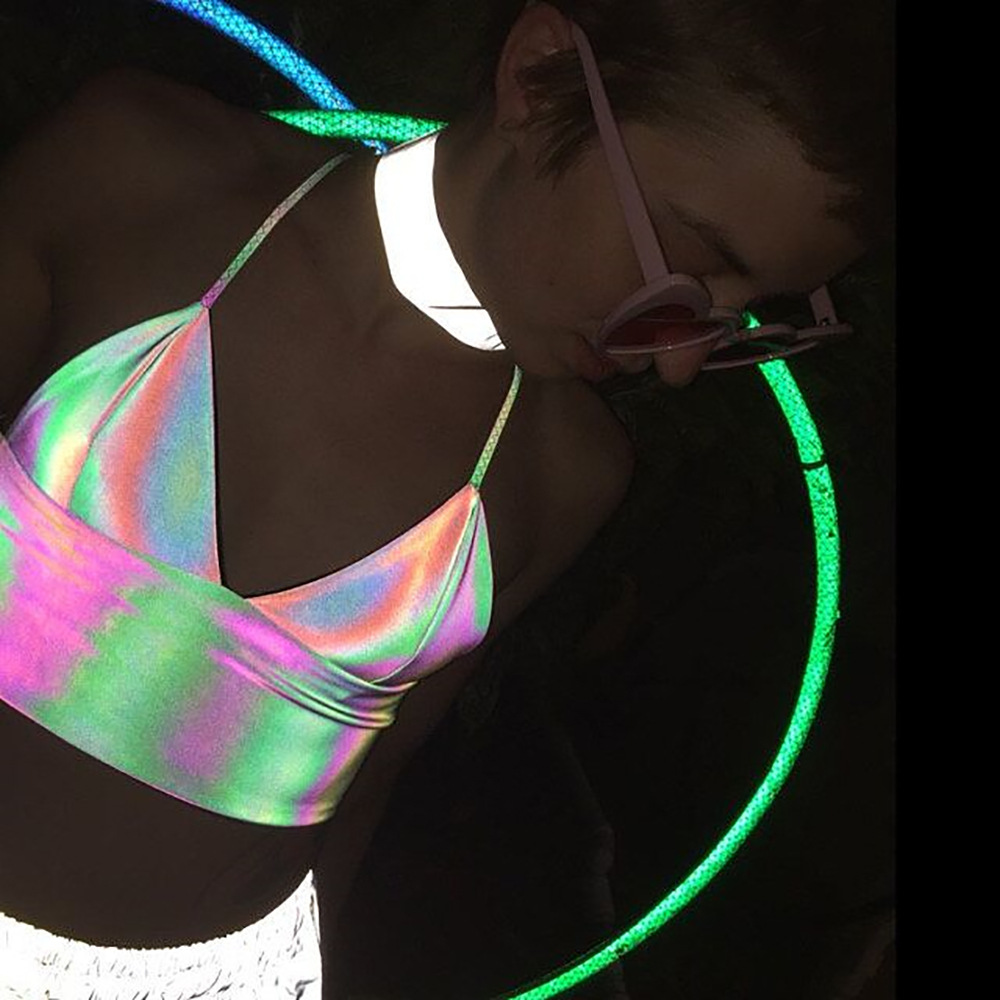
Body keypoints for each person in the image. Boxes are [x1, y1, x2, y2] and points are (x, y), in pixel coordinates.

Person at [0, 1, 892, 997]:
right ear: (539, 76)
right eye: (686, 261)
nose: (678, 361)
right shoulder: (138, 173)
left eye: (737, 316)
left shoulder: (566, 469)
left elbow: (365, 788)